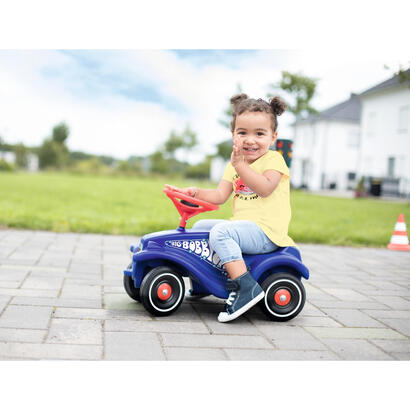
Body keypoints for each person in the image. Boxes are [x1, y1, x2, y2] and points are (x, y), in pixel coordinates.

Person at [165, 93, 296, 322]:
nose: (250, 140)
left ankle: (246, 288)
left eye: (259, 134)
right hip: (245, 228)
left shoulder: (274, 160)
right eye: (242, 132)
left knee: (220, 232)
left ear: (273, 137)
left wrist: (241, 166)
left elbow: (265, 188)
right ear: (233, 134)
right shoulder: (234, 163)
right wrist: (194, 192)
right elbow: (219, 196)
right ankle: (203, 281)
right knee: (201, 227)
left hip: (267, 232)